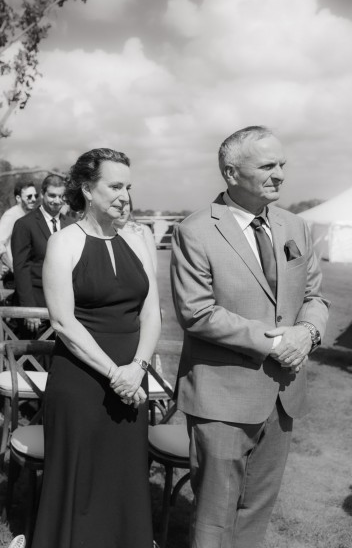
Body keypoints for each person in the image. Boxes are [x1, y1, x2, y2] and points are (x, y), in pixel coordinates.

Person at [171, 126, 329, 548]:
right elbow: (197, 312)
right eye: (267, 165)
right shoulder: (195, 230)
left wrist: (308, 332)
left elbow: (315, 296)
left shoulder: (295, 226)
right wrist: (278, 342)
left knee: (256, 512)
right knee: (213, 517)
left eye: (282, 165)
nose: (280, 174)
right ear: (230, 172)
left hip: (282, 395)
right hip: (221, 397)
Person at [32, 148, 160, 547]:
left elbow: (152, 314)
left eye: (129, 186)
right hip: (82, 382)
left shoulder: (140, 240)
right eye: (115, 185)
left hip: (133, 379)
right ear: (88, 189)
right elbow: (63, 323)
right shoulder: (63, 243)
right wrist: (115, 374)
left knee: (124, 478)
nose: (125, 195)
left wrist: (137, 367)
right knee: (78, 480)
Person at [10, 173, 71, 333]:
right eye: (52, 195)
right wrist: (29, 310)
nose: (57, 201)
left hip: (66, 307)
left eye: (61, 196)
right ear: (42, 194)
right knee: (33, 356)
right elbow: (21, 268)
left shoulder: (71, 225)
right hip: (36, 307)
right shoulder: (24, 225)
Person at [0, 181, 38, 275]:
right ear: (18, 198)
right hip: (16, 277)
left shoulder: (31, 215)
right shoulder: (11, 215)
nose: (33, 199)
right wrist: (12, 267)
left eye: (35, 196)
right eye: (29, 196)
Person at [115, 197, 158, 272]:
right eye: (117, 205)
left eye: (126, 204)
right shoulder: (102, 232)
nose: (123, 209)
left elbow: (153, 266)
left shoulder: (143, 230)